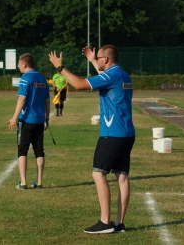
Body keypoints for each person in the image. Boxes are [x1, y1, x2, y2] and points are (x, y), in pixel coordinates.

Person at [49, 45, 135, 234]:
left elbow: (79, 84)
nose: (96, 60)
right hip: (127, 133)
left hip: (112, 134)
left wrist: (59, 67)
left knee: (98, 174)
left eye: (98, 58)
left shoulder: (111, 75)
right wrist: (91, 61)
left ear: (106, 59)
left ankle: (105, 222)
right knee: (122, 177)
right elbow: (104, 81)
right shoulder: (122, 75)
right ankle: (119, 224)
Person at [7, 53, 50, 190]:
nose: (18, 66)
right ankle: (39, 181)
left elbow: (22, 99)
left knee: (22, 150)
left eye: (19, 63)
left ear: (24, 64)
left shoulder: (25, 78)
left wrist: (14, 118)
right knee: (39, 151)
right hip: (39, 120)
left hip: (26, 120)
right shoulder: (42, 79)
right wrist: (47, 118)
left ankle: (23, 182)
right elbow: (47, 101)